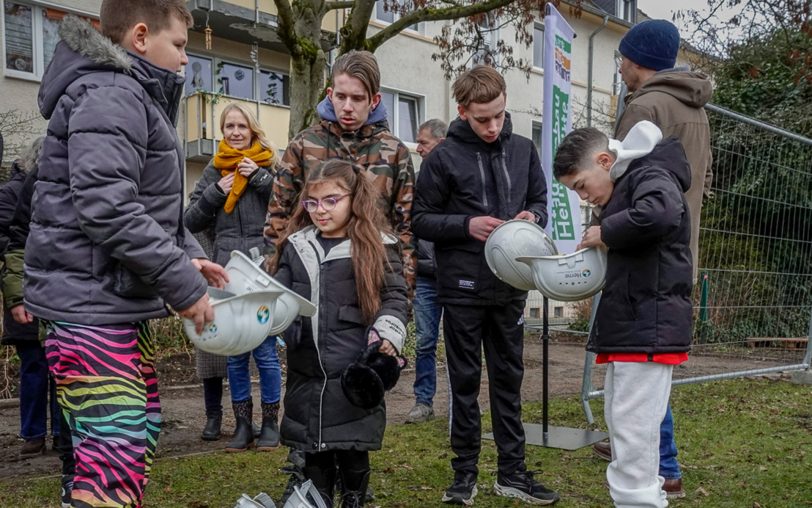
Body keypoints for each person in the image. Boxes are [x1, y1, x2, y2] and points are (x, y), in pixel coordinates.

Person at [25, 4, 228, 506]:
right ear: (140, 36)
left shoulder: (127, 95)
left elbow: (146, 206)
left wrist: (188, 257)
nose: (185, 60)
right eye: (179, 45)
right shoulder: (112, 94)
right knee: (114, 459)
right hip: (90, 311)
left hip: (107, 306)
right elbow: (107, 208)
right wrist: (181, 285)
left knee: (134, 437)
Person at [412, 65, 559, 506]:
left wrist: (533, 217)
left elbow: (539, 201)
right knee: (464, 381)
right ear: (462, 111)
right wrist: (466, 224)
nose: (493, 126)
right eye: (482, 119)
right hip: (460, 286)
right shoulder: (442, 158)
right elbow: (420, 219)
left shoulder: (523, 149)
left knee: (509, 381)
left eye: (498, 115)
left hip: (511, 286)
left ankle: (512, 473)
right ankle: (464, 474)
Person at [592, 19, 713, 498]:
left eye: (622, 57)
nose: (619, 67)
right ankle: (654, 460)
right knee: (649, 362)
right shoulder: (695, 108)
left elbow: (619, 180)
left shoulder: (645, 106)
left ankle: (654, 463)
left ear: (637, 59)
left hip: (643, 250)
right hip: (679, 249)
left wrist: (605, 225)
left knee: (638, 360)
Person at [554, 122, 693, 507]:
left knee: (633, 433)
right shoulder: (634, 182)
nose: (583, 197)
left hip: (646, 327)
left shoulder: (651, 175)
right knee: (625, 426)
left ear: (604, 161)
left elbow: (662, 213)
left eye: (582, 185)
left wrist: (605, 231)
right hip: (635, 326)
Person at [270, 159, 408, 507]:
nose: (320, 210)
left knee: (352, 447)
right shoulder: (295, 245)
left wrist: (388, 333)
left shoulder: (378, 244)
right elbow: (278, 295)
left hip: (352, 371)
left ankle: (354, 499)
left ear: (353, 198)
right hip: (307, 372)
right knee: (313, 449)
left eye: (331, 200)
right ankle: (319, 501)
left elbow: (394, 295)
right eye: (312, 202)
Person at [264, 49, 416, 290]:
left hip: (371, 279)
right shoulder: (303, 145)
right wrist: (275, 281)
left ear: (374, 100)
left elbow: (404, 229)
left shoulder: (394, 152)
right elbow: (278, 216)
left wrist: (402, 298)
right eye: (341, 96)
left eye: (357, 98)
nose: (347, 107)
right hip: (311, 278)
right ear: (330, 94)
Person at [185, 102, 282, 452]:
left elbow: (290, 206)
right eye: (229, 127)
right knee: (235, 350)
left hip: (261, 264)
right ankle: (243, 425)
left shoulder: (269, 165)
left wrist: (258, 178)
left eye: (242, 126)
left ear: (252, 130)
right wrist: (215, 193)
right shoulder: (213, 171)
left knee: (266, 350)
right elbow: (190, 221)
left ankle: (271, 423)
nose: (236, 132)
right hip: (226, 267)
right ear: (222, 132)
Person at [0, 139, 60, 458]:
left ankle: (60, 433)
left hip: (48, 290)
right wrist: (16, 294)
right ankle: (34, 433)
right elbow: (13, 241)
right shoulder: (15, 193)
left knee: (58, 362)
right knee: (35, 365)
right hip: (26, 288)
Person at [406, 118, 447, 424]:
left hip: (458, 275)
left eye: (423, 142)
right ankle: (423, 402)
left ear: (441, 143)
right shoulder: (418, 180)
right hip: (425, 275)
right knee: (424, 342)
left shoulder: (461, 177)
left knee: (463, 344)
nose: (417, 148)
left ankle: (462, 403)